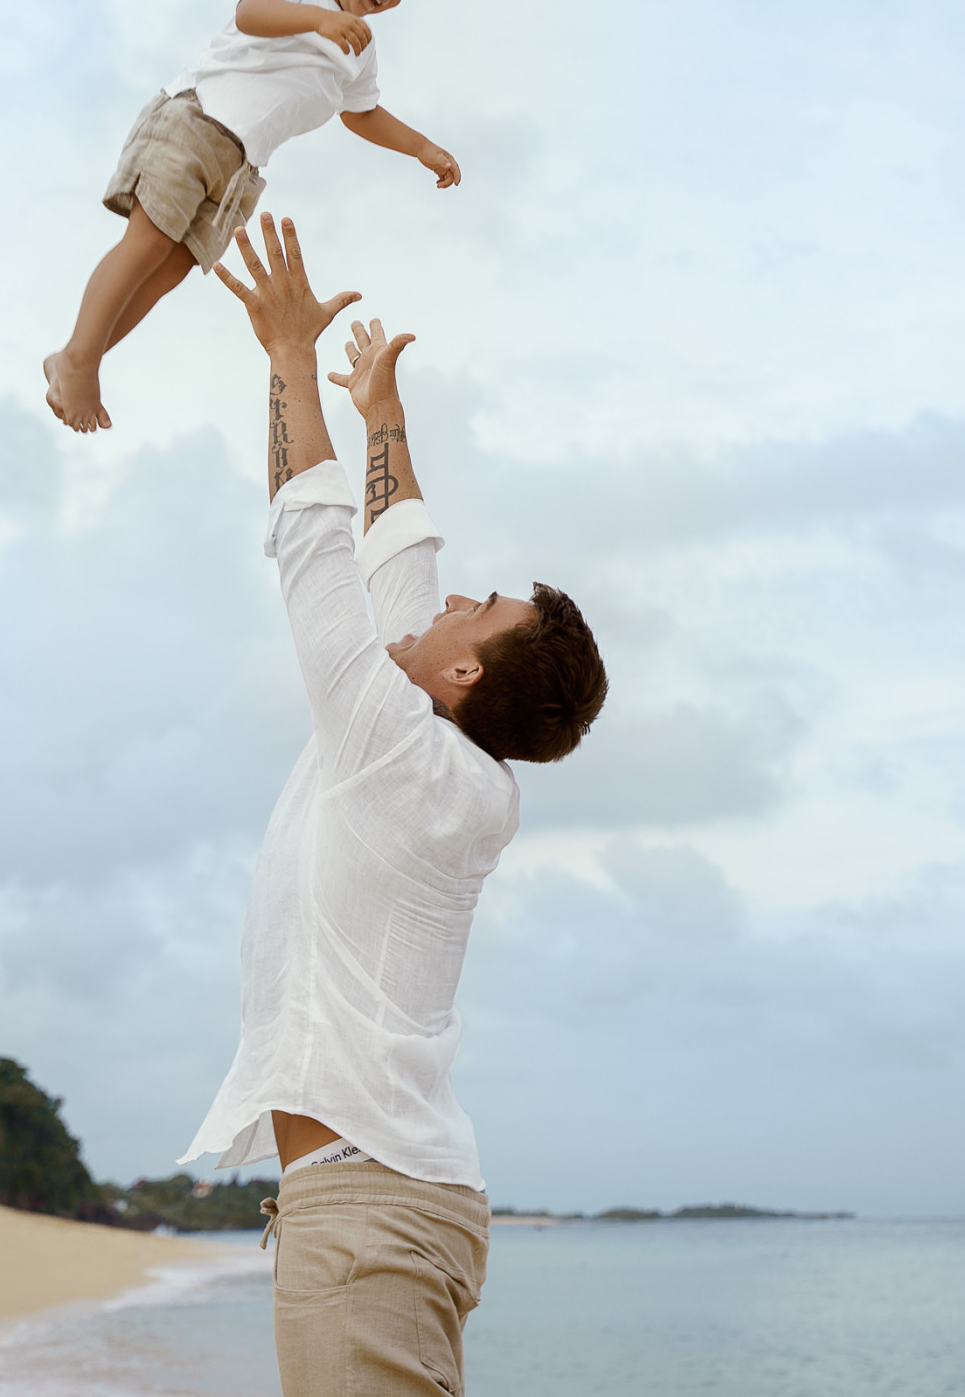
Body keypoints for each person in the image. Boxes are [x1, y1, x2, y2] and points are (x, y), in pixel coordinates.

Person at [181, 212, 608, 1396]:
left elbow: (317, 551)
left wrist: (285, 354)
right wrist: (381, 415)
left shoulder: (397, 753)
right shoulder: (437, 759)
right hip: (385, 1201)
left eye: (481, 606)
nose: (456, 595)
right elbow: (401, 560)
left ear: (464, 670)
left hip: (368, 1213)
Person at [44, 0, 460, 434]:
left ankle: (77, 355)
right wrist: (319, 19)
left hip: (238, 168)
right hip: (198, 119)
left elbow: (361, 113)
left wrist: (422, 148)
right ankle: (79, 361)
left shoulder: (359, 48)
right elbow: (250, 15)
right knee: (147, 243)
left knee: (169, 270)